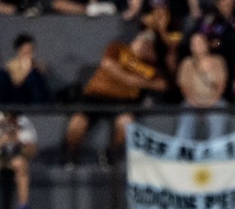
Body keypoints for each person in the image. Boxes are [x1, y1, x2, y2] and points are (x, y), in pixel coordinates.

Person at [64, 30, 166, 162]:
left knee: (126, 123)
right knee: (77, 123)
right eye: (142, 41)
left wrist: (139, 81)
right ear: (135, 41)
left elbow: (162, 85)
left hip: (124, 100)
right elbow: (107, 65)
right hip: (96, 95)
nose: (144, 46)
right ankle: (70, 156)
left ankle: (110, 155)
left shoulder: (149, 66)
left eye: (149, 44)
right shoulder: (118, 48)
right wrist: (130, 79)